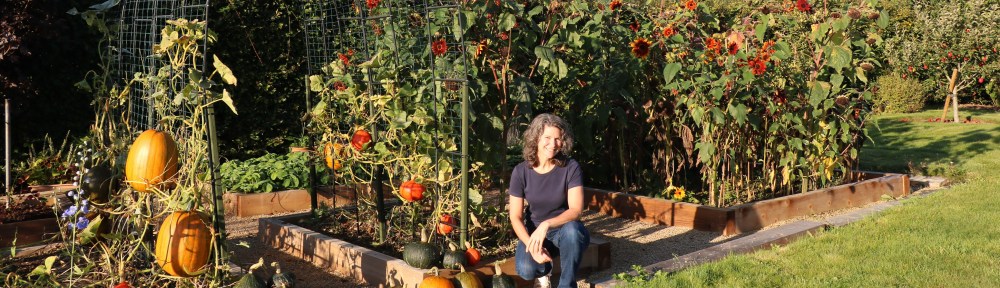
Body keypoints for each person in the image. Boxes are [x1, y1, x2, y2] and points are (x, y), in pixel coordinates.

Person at [509, 113, 590, 288]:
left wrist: (546, 225)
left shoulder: (571, 167)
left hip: (565, 230)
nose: (553, 144)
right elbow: (515, 216)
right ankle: (545, 269)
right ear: (536, 137)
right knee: (526, 269)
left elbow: (576, 210)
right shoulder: (520, 171)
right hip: (535, 232)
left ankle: (567, 284)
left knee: (572, 232)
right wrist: (531, 244)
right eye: (547, 137)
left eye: (558, 139)